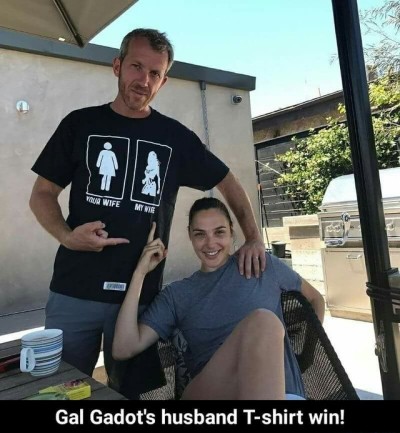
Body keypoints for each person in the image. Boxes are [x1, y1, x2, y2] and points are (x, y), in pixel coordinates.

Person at [29, 28, 265, 399]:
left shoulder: (175, 137)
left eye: (155, 73)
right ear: (117, 66)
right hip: (74, 289)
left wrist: (253, 237)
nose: (144, 80)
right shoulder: (79, 124)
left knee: (130, 397)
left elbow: (229, 182)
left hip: (139, 300)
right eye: (136, 67)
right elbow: (42, 195)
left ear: (164, 81)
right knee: (58, 392)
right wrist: (67, 236)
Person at [113, 197, 325, 399]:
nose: (210, 243)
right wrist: (140, 273)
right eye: (200, 234)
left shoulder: (262, 264)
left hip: (284, 392)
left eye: (219, 232)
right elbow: (123, 348)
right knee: (264, 322)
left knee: (264, 323)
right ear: (190, 236)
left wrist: (306, 354)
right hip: (214, 392)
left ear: (232, 232)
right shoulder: (178, 294)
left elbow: (316, 299)